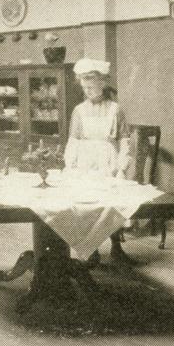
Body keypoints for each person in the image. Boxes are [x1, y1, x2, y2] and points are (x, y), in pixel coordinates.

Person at [64, 57, 133, 263]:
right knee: (87, 204)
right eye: (85, 88)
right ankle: (90, 248)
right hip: (85, 162)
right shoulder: (79, 110)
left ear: (102, 85)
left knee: (110, 203)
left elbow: (124, 140)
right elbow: (74, 140)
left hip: (107, 161)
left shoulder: (115, 109)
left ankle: (116, 246)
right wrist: (70, 165)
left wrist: (122, 167)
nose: (88, 91)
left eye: (91, 87)